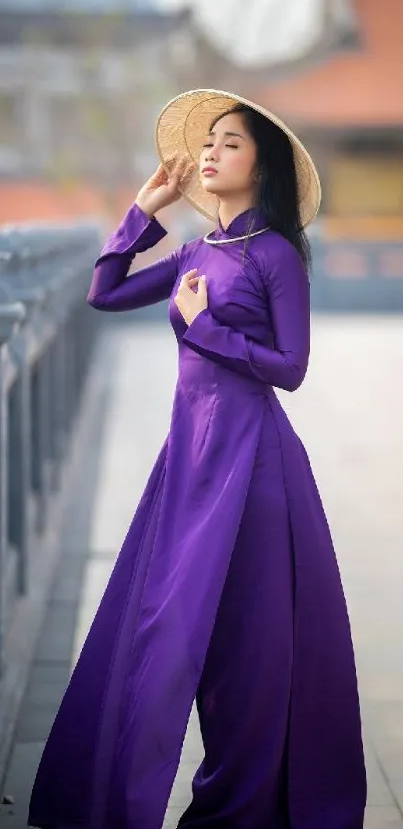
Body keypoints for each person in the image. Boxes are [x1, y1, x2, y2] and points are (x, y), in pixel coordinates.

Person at [28, 89, 367, 829]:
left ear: (263, 166)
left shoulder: (275, 253)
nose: (210, 152)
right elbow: (103, 292)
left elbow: (290, 367)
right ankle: (120, 795)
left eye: (230, 142)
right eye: (207, 141)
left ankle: (239, 807)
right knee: (166, 636)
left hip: (254, 473)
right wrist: (142, 215)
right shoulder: (191, 252)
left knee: (247, 654)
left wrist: (203, 326)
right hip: (187, 465)